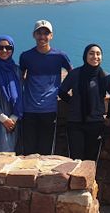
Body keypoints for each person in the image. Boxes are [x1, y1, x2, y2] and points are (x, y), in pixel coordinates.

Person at [18, 19, 72, 155]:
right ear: (34, 35)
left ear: (51, 36)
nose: (42, 36)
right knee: (28, 150)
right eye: (39, 33)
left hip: (49, 109)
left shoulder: (60, 56)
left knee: (46, 150)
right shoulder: (26, 56)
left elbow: (73, 75)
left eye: (46, 33)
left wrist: (61, 91)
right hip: (29, 109)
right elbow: (20, 78)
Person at [58, 44, 109, 161]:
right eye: (91, 53)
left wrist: (109, 116)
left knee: (91, 159)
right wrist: (73, 103)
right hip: (75, 122)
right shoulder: (75, 74)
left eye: (98, 54)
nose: (95, 56)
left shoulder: (105, 77)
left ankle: (90, 180)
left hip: (96, 123)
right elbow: (62, 91)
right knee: (76, 159)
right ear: (85, 56)